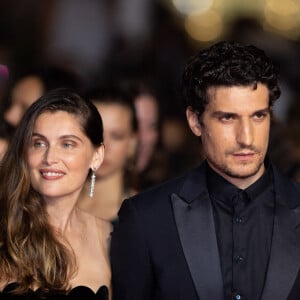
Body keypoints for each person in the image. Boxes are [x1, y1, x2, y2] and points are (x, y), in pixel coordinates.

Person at [110, 41, 300, 300]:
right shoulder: (147, 219)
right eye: (227, 118)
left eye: (258, 116)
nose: (246, 137)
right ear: (195, 121)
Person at [0, 88, 111, 299]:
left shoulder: (110, 239)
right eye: (39, 143)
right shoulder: (4, 228)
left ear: (96, 156)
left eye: (67, 144)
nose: (50, 157)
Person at [78, 87, 138, 222]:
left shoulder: (144, 213)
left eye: (116, 136)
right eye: (95, 134)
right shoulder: (49, 203)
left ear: (132, 143)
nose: (103, 146)